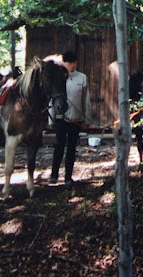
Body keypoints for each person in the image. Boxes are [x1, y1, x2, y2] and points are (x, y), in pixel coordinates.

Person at [49, 50, 91, 187]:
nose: (72, 65)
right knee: (59, 146)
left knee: (72, 148)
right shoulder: (58, 78)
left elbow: (86, 100)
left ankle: (68, 177)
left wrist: (87, 119)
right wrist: (51, 119)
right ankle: (54, 175)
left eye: (74, 62)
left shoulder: (82, 78)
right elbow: (52, 99)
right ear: (64, 63)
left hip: (76, 119)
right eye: (69, 63)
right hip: (61, 118)